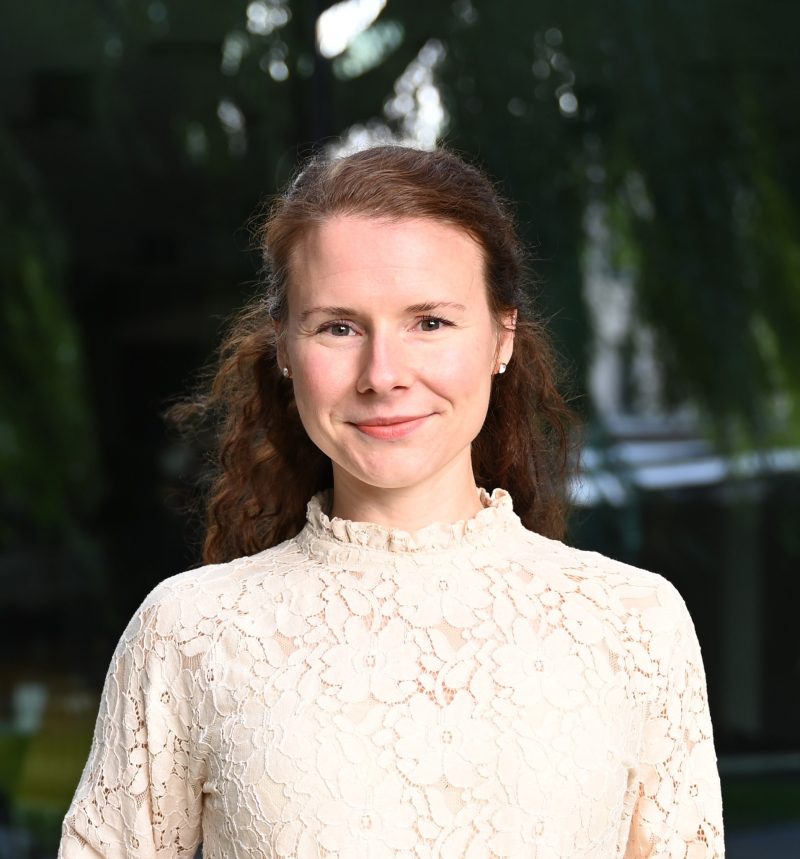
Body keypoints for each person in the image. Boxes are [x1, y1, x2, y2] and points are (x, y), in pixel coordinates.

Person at [59, 144, 724, 858]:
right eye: (338, 327)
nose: (382, 374)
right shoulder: (187, 633)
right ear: (283, 348)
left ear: (501, 337)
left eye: (429, 322)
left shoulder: (636, 625)